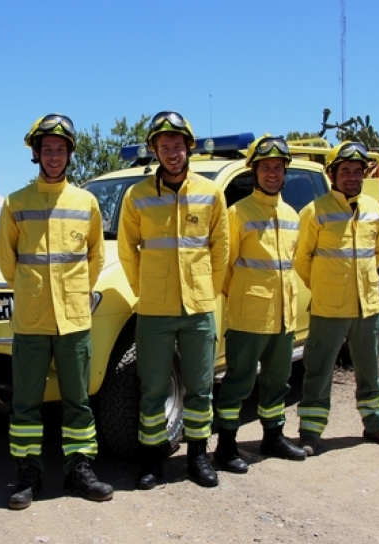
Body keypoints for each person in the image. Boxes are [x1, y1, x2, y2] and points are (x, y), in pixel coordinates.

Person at [0, 113, 113, 510]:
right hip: (31, 320)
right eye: (47, 150)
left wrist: (77, 291)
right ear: (36, 154)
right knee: (26, 402)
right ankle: (28, 476)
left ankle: (80, 471)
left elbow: (96, 257)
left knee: (77, 401)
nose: (54, 157)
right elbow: (6, 261)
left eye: (61, 150)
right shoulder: (16, 203)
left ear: (69, 155)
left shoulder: (86, 202)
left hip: (75, 320)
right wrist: (31, 291)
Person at [117, 111, 229, 489]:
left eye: (177, 145)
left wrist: (207, 290)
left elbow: (220, 248)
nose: (171, 152)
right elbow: (127, 250)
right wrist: (144, 289)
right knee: (152, 388)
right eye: (163, 146)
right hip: (154, 310)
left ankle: (198, 457)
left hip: (198, 308)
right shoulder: (137, 195)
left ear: (188, 147)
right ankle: (153, 460)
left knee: (200, 386)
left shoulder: (211, 193)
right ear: (155, 151)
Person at [293, 141, 379, 456]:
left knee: (370, 369)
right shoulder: (314, 212)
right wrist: (325, 286)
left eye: (357, 171)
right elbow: (302, 259)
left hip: (368, 305)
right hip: (329, 308)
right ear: (332, 175)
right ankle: (310, 433)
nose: (352, 177)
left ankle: (376, 425)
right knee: (318, 370)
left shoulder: (372, 210)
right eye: (346, 171)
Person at [213, 136, 307, 474]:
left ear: (285, 173)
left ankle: (273, 437)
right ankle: (225, 446)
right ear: (254, 171)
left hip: (284, 317)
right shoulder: (237, 213)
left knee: (277, 380)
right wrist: (244, 297)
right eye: (265, 167)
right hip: (248, 316)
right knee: (238, 382)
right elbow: (223, 268)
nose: (272, 173)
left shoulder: (291, 214)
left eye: (278, 168)